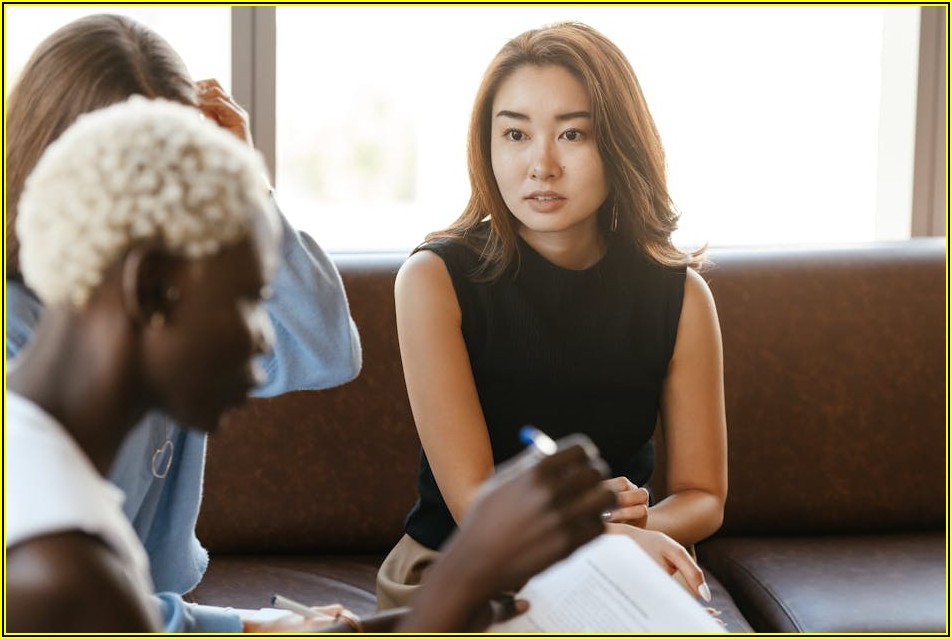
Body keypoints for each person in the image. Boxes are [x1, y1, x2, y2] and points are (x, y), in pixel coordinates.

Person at [5, 97, 619, 633]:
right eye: (248, 300)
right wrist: (469, 567)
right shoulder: (54, 569)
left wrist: (456, 604)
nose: (261, 348)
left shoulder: (47, 486)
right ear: (154, 289)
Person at [4, 14, 360, 631]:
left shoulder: (151, 323)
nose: (170, 197)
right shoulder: (53, 558)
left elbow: (326, 349)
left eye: (186, 158)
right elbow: (91, 605)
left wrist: (244, 185)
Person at [377, 21, 727, 609]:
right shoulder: (433, 280)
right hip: (463, 568)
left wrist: (626, 536)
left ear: (619, 144)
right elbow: (473, 505)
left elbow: (703, 496)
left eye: (572, 134)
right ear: (487, 146)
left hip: (615, 565)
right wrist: (599, 533)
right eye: (515, 134)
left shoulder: (681, 296)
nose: (541, 165)